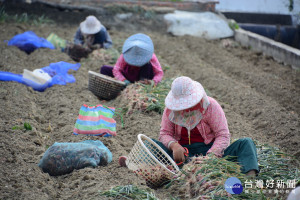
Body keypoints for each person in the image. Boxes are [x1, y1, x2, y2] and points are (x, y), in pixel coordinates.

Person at [120, 76, 259, 177]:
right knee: (151, 144)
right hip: (182, 155)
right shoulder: (170, 110)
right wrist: (174, 146)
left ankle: (249, 175)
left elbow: (223, 135)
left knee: (245, 143)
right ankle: (135, 164)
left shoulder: (210, 106)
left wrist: (211, 158)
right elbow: (164, 133)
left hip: (210, 151)